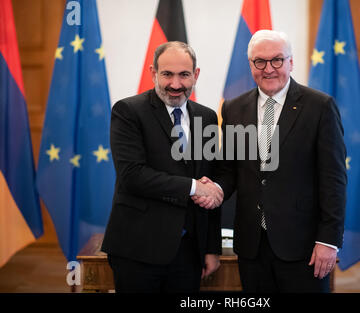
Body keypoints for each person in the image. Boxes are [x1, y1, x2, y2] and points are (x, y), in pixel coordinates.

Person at [194, 30, 347, 292]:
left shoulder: (319, 106)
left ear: (291, 62)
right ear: (251, 64)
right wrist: (215, 188)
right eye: (259, 62)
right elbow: (230, 168)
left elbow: (333, 180)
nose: (269, 69)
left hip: (304, 246)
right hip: (252, 246)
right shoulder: (233, 108)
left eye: (276, 60)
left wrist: (328, 241)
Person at [101, 41, 223, 293]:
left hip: (189, 252)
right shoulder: (128, 111)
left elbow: (208, 179)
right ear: (153, 73)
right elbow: (132, 176)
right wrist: (194, 188)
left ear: (195, 75)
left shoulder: (207, 117)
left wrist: (211, 248)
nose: (175, 84)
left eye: (184, 75)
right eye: (167, 74)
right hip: (138, 249)